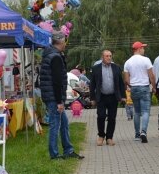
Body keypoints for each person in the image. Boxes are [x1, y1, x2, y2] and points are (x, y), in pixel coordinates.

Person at [39, 31, 83, 160]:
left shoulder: (49, 55)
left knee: (63, 123)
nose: (65, 44)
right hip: (54, 97)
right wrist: (59, 102)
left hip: (51, 96)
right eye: (65, 42)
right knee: (55, 124)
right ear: (61, 42)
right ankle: (54, 154)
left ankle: (68, 150)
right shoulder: (56, 57)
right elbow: (57, 81)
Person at [89, 49, 125, 146]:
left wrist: (123, 96)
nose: (109, 58)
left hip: (113, 97)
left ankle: (109, 137)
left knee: (112, 118)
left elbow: (121, 83)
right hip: (101, 97)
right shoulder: (96, 68)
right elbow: (92, 85)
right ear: (102, 57)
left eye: (110, 56)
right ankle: (101, 136)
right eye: (107, 56)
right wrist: (92, 98)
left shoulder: (116, 67)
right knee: (101, 116)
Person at [123, 41, 156, 143]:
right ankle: (144, 132)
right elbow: (151, 76)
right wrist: (154, 86)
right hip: (145, 87)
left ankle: (137, 135)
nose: (144, 49)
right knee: (145, 111)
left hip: (134, 88)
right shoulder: (146, 60)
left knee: (136, 112)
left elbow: (126, 79)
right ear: (138, 49)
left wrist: (131, 85)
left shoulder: (128, 62)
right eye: (143, 48)